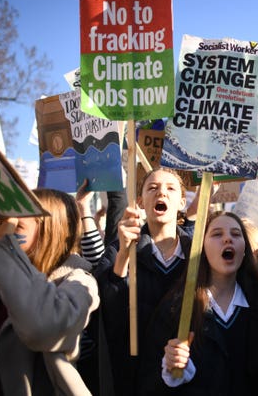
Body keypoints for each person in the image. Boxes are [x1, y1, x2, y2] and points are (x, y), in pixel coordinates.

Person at [0, 188, 100, 395]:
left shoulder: (79, 283)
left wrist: (4, 252)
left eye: (17, 226)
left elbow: (43, 328)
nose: (8, 232)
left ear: (49, 231)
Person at [138, 211, 258, 395]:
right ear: (201, 248)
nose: (228, 239)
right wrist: (170, 372)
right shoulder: (176, 308)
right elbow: (146, 381)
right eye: (217, 234)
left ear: (244, 249)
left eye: (236, 234)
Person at [94, 167, 193, 396]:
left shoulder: (198, 255)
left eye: (171, 188)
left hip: (189, 376)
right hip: (136, 378)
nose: (162, 193)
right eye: (152, 188)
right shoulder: (118, 250)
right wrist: (123, 258)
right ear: (140, 201)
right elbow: (106, 312)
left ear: (181, 201)